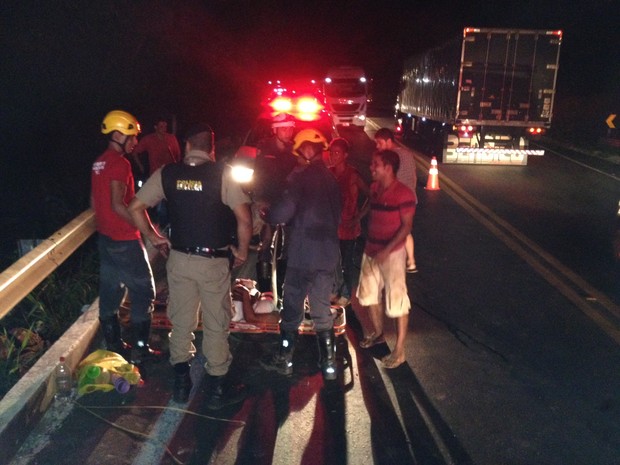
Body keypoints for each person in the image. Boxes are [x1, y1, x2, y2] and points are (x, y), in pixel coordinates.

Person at [128, 123, 252, 408]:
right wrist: (242, 252)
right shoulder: (224, 174)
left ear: (185, 146)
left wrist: (155, 238)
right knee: (216, 322)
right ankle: (217, 388)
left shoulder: (168, 173)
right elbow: (244, 220)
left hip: (179, 260)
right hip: (213, 262)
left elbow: (136, 207)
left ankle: (181, 383)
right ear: (212, 149)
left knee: (181, 320)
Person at [260, 128, 342, 381]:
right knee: (321, 310)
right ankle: (329, 365)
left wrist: (269, 215)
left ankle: (285, 361)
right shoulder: (332, 179)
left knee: (292, 308)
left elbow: (283, 211)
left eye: (299, 152)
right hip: (328, 255)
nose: (297, 157)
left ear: (307, 150)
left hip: (302, 254)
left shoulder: (300, 178)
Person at [91, 110, 160, 365]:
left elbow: (94, 201)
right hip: (123, 239)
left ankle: (114, 344)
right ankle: (141, 350)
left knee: (111, 290)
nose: (135, 143)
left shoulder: (99, 162)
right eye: (131, 137)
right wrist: (149, 233)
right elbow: (119, 204)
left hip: (106, 238)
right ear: (118, 134)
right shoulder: (121, 164)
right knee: (144, 291)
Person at [357, 150, 416, 369]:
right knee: (369, 294)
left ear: (388, 168)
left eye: (375, 164)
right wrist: (357, 218)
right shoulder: (374, 188)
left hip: (392, 254)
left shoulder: (404, 194)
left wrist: (387, 249)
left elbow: (406, 226)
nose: (371, 168)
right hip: (371, 249)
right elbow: (370, 206)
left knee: (397, 302)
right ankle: (378, 333)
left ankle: (399, 352)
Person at [253, 113, 298, 295]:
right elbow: (258, 175)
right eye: (284, 128)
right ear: (275, 129)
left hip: (289, 205)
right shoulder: (264, 148)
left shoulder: (295, 150)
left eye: (290, 128)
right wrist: (258, 200)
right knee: (266, 245)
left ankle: (281, 287)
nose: (288, 132)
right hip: (268, 203)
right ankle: (264, 289)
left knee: (288, 248)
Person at [328, 137, 369, 307]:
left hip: (348, 228)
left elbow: (371, 195)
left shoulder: (352, 175)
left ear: (345, 155)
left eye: (337, 153)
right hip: (331, 227)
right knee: (331, 261)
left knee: (346, 262)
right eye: (331, 152)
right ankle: (334, 290)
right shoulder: (328, 173)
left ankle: (346, 293)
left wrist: (358, 216)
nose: (333, 156)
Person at [374, 128, 418, 273]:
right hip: (411, 197)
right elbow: (414, 176)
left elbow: (390, 179)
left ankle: (394, 261)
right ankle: (411, 262)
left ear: (388, 141)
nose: (377, 146)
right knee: (406, 229)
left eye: (379, 143)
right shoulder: (407, 153)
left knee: (394, 230)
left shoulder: (392, 157)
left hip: (397, 199)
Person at [131, 116, 182, 226]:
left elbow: (178, 157)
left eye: (165, 126)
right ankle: (160, 229)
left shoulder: (171, 138)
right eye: (161, 126)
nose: (163, 128)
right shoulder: (148, 139)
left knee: (173, 206)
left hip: (171, 177)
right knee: (160, 208)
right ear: (155, 127)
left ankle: (171, 228)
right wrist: (140, 166)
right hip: (156, 177)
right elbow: (134, 152)